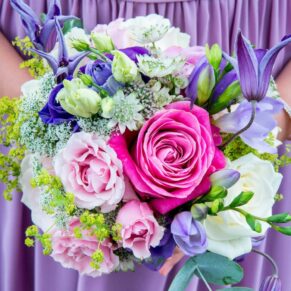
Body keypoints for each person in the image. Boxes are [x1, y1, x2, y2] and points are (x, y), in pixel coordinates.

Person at [0, 1, 291, 290]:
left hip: (245, 37)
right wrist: (45, 119)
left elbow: (264, 123)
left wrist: (261, 128)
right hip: (31, 69)